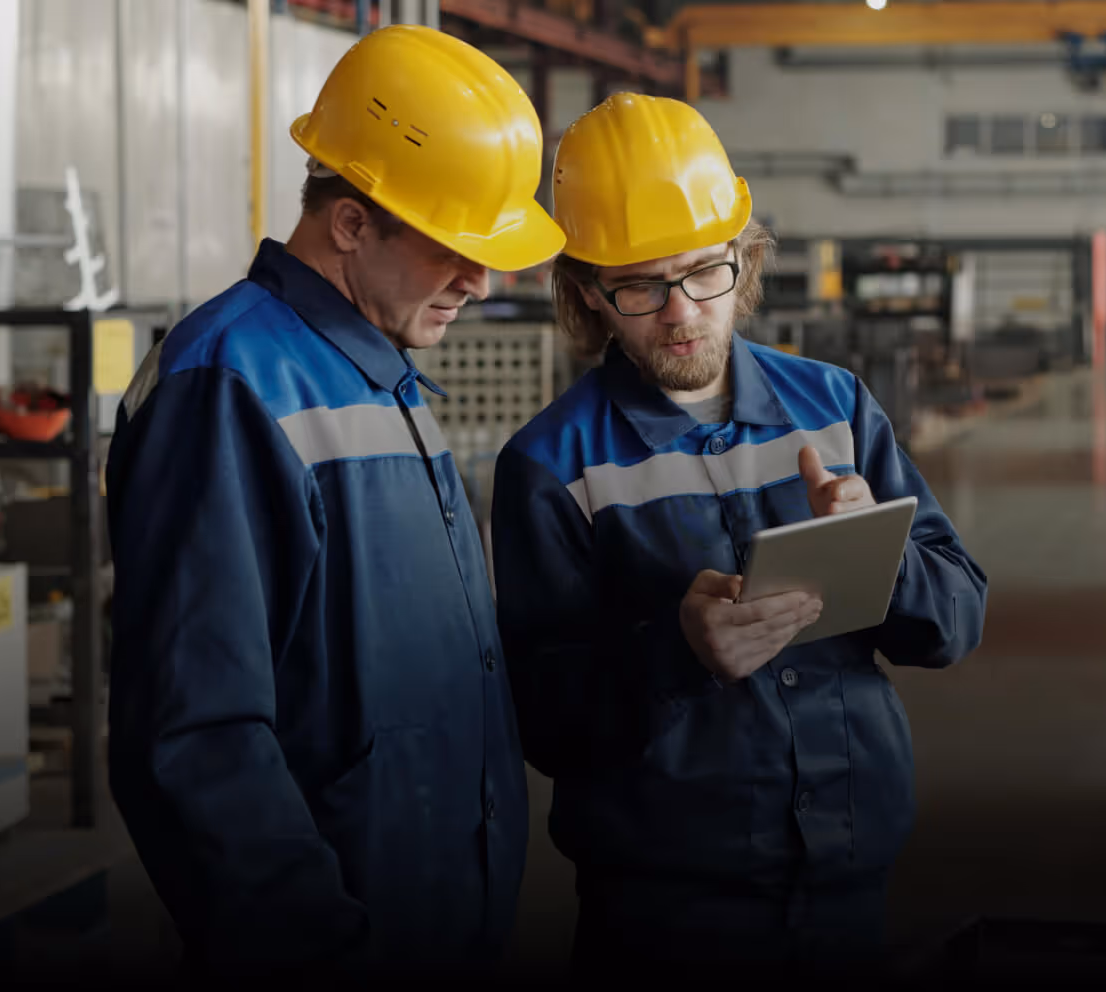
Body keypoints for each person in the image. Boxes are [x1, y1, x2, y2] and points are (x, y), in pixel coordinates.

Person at [489, 93, 987, 981]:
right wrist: (677, 658)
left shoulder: (834, 408)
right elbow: (547, 721)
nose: (681, 313)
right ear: (588, 295)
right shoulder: (551, 466)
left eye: (702, 273)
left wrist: (884, 552)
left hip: (849, 874)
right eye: (639, 285)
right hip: (666, 916)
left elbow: (955, 620)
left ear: (743, 260)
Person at [105, 25, 562, 978]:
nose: (480, 283)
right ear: (351, 223)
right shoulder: (230, 384)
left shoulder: (376, 373)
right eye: (452, 247)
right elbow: (196, 738)